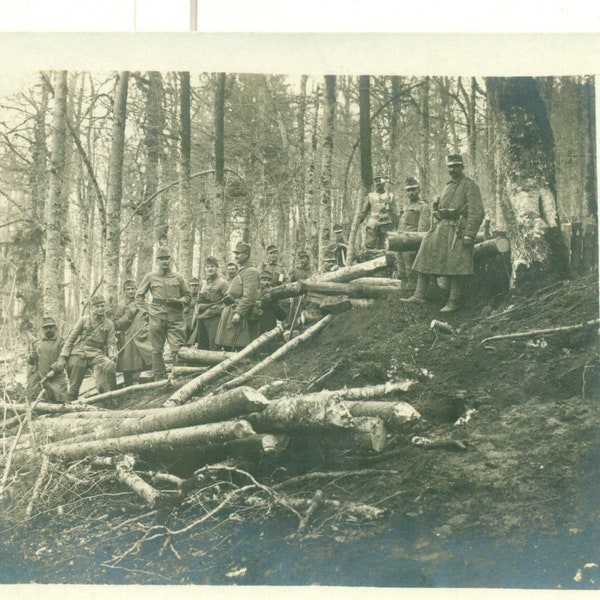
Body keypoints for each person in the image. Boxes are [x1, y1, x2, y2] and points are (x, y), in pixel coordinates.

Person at [403, 154, 485, 313]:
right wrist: (435, 207)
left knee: (454, 263)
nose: (453, 169)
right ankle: (419, 294)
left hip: (458, 230)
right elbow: (440, 211)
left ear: (462, 167)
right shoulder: (448, 186)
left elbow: (477, 212)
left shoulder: (470, 186)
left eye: (456, 166)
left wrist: (470, 233)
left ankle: (454, 301)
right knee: (425, 251)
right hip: (441, 227)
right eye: (450, 166)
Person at [136, 246, 191, 380]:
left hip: (175, 318)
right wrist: (147, 312)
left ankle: (179, 376)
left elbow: (188, 296)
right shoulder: (150, 277)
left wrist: (180, 302)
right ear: (157, 261)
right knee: (156, 350)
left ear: (170, 260)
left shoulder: (178, 277)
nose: (164, 262)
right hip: (156, 317)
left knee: (177, 349)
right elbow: (139, 297)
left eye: (166, 258)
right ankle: (159, 378)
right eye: (161, 259)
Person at [55, 296, 117, 402]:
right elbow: (71, 339)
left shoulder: (109, 324)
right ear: (91, 308)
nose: (100, 309)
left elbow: (111, 343)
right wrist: (63, 356)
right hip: (79, 351)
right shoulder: (83, 320)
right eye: (97, 306)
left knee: (109, 366)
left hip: (97, 353)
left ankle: (110, 398)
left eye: (102, 306)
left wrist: (113, 356)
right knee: (74, 379)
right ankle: (71, 402)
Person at [215, 242, 260, 351]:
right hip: (230, 311)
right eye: (235, 253)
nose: (236, 256)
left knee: (239, 346)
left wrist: (239, 313)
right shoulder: (242, 271)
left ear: (246, 255)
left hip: (239, 315)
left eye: (239, 254)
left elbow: (249, 296)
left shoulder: (251, 272)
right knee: (227, 346)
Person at [113, 279, 152, 387]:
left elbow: (151, 317)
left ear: (136, 289)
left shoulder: (143, 302)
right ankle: (129, 388)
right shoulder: (121, 305)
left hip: (144, 336)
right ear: (124, 291)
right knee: (128, 365)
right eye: (128, 289)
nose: (131, 291)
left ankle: (150, 387)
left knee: (150, 362)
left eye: (133, 289)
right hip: (128, 338)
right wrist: (128, 315)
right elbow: (116, 324)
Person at [26, 317, 68, 403]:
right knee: (30, 396)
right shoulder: (37, 343)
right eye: (46, 328)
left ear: (55, 328)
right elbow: (30, 362)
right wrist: (31, 356)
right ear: (42, 330)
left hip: (55, 376)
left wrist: (53, 370)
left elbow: (62, 358)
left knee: (60, 398)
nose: (48, 330)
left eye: (50, 327)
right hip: (39, 376)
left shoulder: (60, 342)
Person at [397, 177, 432, 280]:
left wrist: (416, 246)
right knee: (401, 272)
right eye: (408, 190)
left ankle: (413, 292)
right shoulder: (406, 207)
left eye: (413, 189)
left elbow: (423, 230)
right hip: (400, 244)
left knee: (412, 272)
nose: (411, 193)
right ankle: (403, 292)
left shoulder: (423, 207)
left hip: (411, 245)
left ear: (418, 190)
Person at [192, 256, 229, 350]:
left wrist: (217, 310)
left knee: (214, 344)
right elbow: (198, 300)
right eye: (207, 266)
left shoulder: (223, 283)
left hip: (215, 318)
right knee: (202, 343)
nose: (210, 269)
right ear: (204, 268)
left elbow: (228, 302)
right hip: (202, 317)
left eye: (212, 266)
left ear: (217, 268)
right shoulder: (203, 283)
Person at [358, 175, 399, 249]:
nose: (378, 184)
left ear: (383, 183)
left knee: (385, 246)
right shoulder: (370, 196)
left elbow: (395, 212)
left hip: (386, 224)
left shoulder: (390, 196)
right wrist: (358, 221)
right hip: (372, 225)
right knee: (369, 245)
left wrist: (397, 225)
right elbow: (364, 211)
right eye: (376, 182)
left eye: (379, 181)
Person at [255, 269, 289, 334]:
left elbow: (282, 316)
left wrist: (273, 303)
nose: (266, 282)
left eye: (268, 280)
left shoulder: (274, 294)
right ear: (259, 281)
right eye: (264, 280)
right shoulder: (254, 293)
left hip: (270, 327)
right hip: (255, 328)